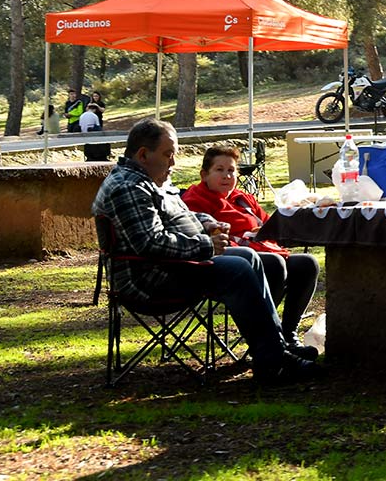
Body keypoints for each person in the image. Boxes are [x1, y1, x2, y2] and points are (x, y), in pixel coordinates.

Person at [90, 118, 319, 385]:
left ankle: (274, 351)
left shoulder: (151, 180)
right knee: (238, 268)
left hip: (172, 265)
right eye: (168, 154)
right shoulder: (128, 187)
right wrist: (206, 245)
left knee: (252, 258)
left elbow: (180, 214)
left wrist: (206, 222)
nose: (173, 162)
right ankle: (274, 361)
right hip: (149, 279)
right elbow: (150, 243)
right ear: (143, 154)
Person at [182, 145, 320, 360]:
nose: (227, 176)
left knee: (307, 263)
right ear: (204, 174)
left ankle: (288, 334)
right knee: (274, 263)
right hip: (228, 263)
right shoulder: (195, 200)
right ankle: (270, 340)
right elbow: (211, 240)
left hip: (264, 251)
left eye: (232, 170)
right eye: (219, 170)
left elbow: (269, 227)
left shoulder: (243, 198)